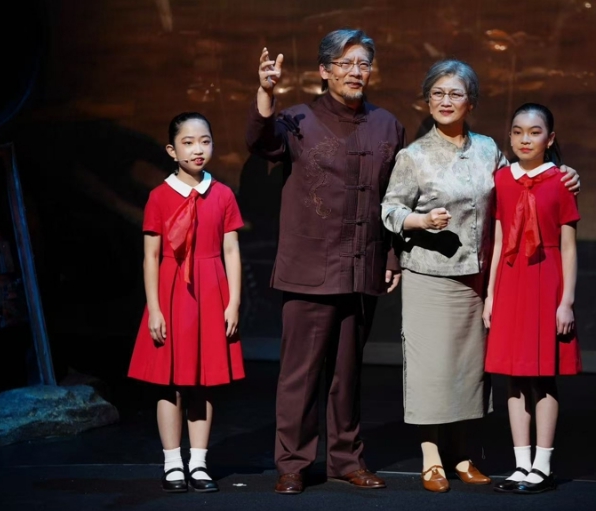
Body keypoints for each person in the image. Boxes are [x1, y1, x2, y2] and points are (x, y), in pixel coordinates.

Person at [381, 61, 580, 493]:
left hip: (480, 276)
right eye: (437, 93)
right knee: (431, 370)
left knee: (469, 372)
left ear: (470, 102)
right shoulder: (413, 156)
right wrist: (420, 221)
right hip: (431, 273)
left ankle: (462, 454)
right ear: (427, 100)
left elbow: (523, 181)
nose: (446, 101)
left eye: (455, 93)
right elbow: (390, 210)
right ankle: (432, 458)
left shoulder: (489, 149)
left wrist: (565, 172)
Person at [245, 29, 404, 494]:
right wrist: (266, 91)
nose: (356, 72)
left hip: (362, 265)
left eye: (363, 64)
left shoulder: (387, 125)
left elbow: (394, 197)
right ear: (324, 71)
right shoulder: (296, 119)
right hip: (310, 267)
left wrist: (390, 255)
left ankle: (346, 460)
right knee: (301, 374)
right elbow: (260, 141)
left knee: (347, 375)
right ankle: (293, 463)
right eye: (345, 63)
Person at [128, 112, 245, 493]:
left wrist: (233, 302)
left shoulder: (222, 194)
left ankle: (198, 462)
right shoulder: (159, 197)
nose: (198, 149)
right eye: (188, 142)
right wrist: (155, 308)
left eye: (205, 141)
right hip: (171, 292)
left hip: (211, 292)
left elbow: (231, 250)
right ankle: (172, 463)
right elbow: (150, 257)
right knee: (169, 383)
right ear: (171, 150)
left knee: (203, 383)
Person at [483, 103, 581, 495]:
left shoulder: (561, 181)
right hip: (511, 281)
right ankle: (520, 464)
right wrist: (491, 295)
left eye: (535, 132)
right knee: (514, 376)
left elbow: (569, 247)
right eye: (518, 131)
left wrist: (566, 301)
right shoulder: (502, 180)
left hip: (545, 282)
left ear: (549, 138)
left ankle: (543, 465)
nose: (526, 139)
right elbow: (499, 240)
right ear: (510, 136)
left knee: (542, 375)